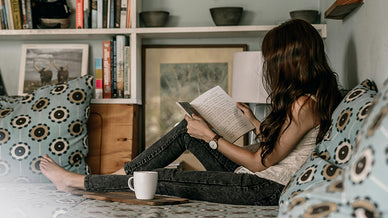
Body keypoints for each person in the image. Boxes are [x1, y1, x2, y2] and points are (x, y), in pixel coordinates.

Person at [40, 19, 342, 205]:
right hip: (256, 178)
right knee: (187, 130)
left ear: (289, 61)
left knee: (163, 179)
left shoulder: (305, 103)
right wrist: (251, 120)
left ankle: (79, 182)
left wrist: (211, 137)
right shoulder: (308, 98)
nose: (269, 67)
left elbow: (262, 163)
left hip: (262, 187)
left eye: (271, 60)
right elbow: (283, 147)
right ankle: (120, 176)